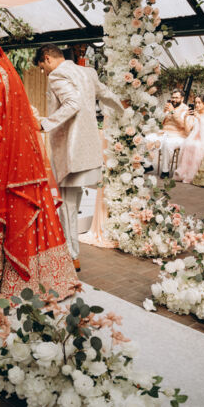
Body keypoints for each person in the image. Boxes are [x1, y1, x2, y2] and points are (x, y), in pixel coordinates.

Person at [0, 41, 79, 305]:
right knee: (24, 208)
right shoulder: (10, 76)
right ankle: (42, 278)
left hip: (0, 155)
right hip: (21, 155)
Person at [34, 44, 124, 271]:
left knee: (67, 205)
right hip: (89, 151)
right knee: (72, 203)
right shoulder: (88, 72)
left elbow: (72, 103)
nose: (44, 72)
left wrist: (45, 124)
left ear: (47, 58)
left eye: (42, 67)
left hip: (70, 151)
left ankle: (71, 255)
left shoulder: (57, 75)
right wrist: (124, 112)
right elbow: (106, 94)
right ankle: (70, 252)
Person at [174, 95, 204, 184]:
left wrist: (199, 118)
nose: (197, 105)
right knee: (188, 144)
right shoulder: (194, 114)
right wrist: (185, 118)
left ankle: (192, 175)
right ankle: (184, 173)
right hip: (194, 138)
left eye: (199, 102)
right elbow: (187, 131)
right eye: (195, 102)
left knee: (196, 146)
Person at [145, 89, 188, 178]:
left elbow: (182, 124)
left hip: (178, 136)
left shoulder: (185, 109)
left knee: (167, 143)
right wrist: (164, 113)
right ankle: (147, 165)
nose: (174, 100)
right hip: (164, 133)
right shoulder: (169, 107)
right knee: (147, 138)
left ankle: (165, 171)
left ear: (182, 99)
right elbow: (161, 123)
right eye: (173, 97)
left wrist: (172, 112)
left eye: (176, 98)